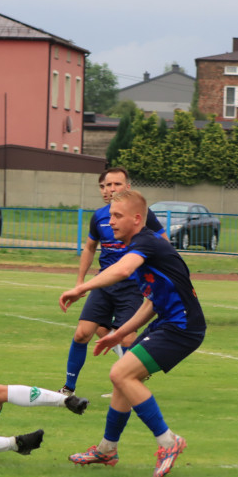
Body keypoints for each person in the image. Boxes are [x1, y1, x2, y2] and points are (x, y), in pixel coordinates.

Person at [59, 189, 206, 477]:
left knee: (121, 374)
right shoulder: (140, 246)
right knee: (122, 381)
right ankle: (107, 449)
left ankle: (168, 441)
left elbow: (123, 271)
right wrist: (120, 333)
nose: (110, 221)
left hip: (183, 327)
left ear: (137, 219)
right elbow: (152, 300)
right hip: (168, 322)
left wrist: (81, 288)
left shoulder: (146, 242)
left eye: (117, 216)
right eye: (110, 215)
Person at [60, 167, 165, 396]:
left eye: (117, 184)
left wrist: (157, 277)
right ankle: (68, 389)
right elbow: (89, 247)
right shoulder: (99, 216)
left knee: (127, 337)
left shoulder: (143, 216)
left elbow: (163, 244)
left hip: (133, 285)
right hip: (104, 283)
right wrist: (80, 283)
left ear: (128, 187)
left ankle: (128, 386)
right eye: (107, 185)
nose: (111, 189)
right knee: (82, 333)